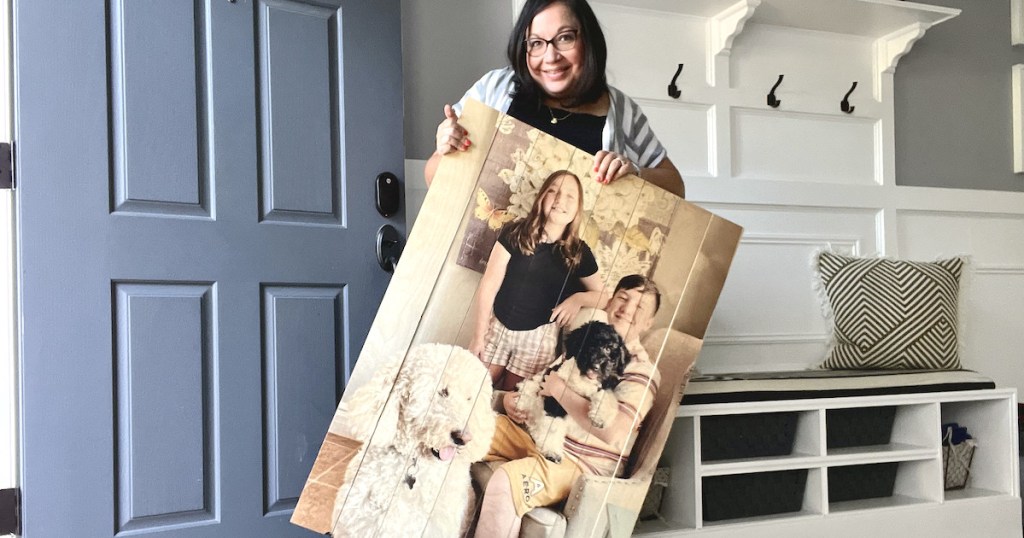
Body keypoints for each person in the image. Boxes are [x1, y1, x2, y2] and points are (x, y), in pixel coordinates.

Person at [424, 0, 685, 198]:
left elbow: (677, 187)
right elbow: (432, 177)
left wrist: (635, 174)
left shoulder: (622, 111)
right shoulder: (494, 88)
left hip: (576, 264)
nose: (550, 57)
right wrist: (447, 146)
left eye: (565, 38)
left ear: (588, 39)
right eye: (536, 43)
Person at [474, 275, 662, 538]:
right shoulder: (584, 341)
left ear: (648, 323)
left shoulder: (642, 370)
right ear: (609, 302)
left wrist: (559, 391)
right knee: (465, 425)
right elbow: (539, 385)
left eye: (639, 307)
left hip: (577, 464)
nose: (627, 309)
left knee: (506, 483)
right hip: (534, 436)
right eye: (623, 298)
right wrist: (508, 400)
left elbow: (615, 432)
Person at [473, 170, 603, 391]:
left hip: (539, 339)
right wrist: (478, 335)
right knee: (475, 389)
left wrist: (578, 299)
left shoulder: (579, 252)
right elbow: (489, 284)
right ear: (542, 197)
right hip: (499, 327)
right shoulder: (515, 232)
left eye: (570, 196)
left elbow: (603, 296)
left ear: (578, 207)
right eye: (554, 191)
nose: (561, 199)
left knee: (515, 400)